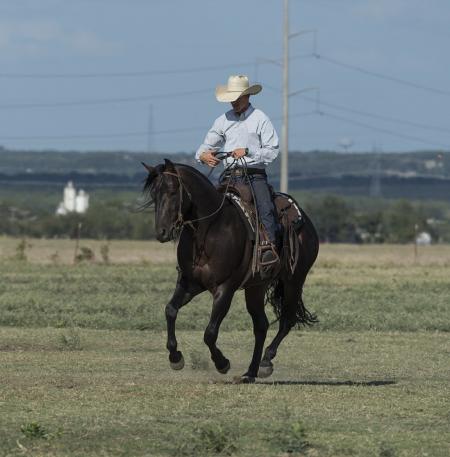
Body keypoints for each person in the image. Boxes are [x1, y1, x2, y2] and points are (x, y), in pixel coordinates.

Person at [196, 75, 280, 271]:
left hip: (254, 175)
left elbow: (272, 150)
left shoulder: (260, 119)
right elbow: (204, 147)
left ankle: (270, 250)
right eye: (231, 98)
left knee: (265, 208)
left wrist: (249, 151)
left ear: (247, 97)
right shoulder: (222, 120)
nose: (233, 102)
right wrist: (204, 156)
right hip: (229, 175)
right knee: (208, 208)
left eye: (237, 98)